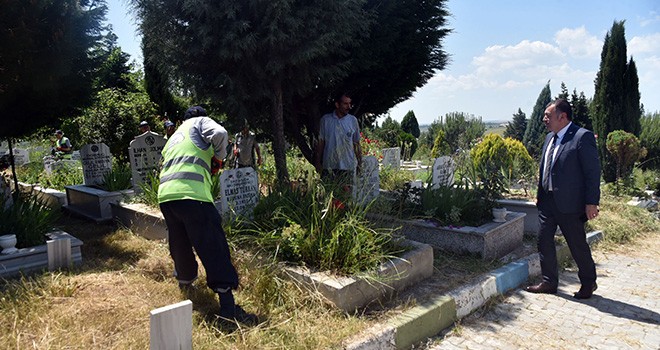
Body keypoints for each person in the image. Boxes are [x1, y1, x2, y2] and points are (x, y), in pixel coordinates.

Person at [157, 106, 257, 324]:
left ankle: (185, 283)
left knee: (179, 242)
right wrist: (219, 159)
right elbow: (220, 134)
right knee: (213, 245)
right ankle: (229, 309)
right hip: (192, 194)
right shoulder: (200, 122)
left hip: (166, 195)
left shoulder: (174, 137)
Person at [525, 98, 601, 299]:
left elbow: (592, 172)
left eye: (548, 115)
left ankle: (588, 282)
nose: (544, 119)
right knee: (543, 241)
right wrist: (539, 194)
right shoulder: (550, 138)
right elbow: (545, 168)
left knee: (576, 244)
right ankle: (549, 282)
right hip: (547, 202)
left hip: (570, 205)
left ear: (563, 116)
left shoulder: (581, 137)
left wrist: (591, 202)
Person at [315, 93, 362, 187]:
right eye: (345, 104)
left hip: (347, 166)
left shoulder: (353, 121)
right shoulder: (326, 120)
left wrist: (359, 163)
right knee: (328, 198)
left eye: (349, 104)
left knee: (345, 198)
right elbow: (321, 142)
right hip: (329, 166)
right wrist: (318, 161)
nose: (348, 107)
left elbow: (356, 143)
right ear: (337, 104)